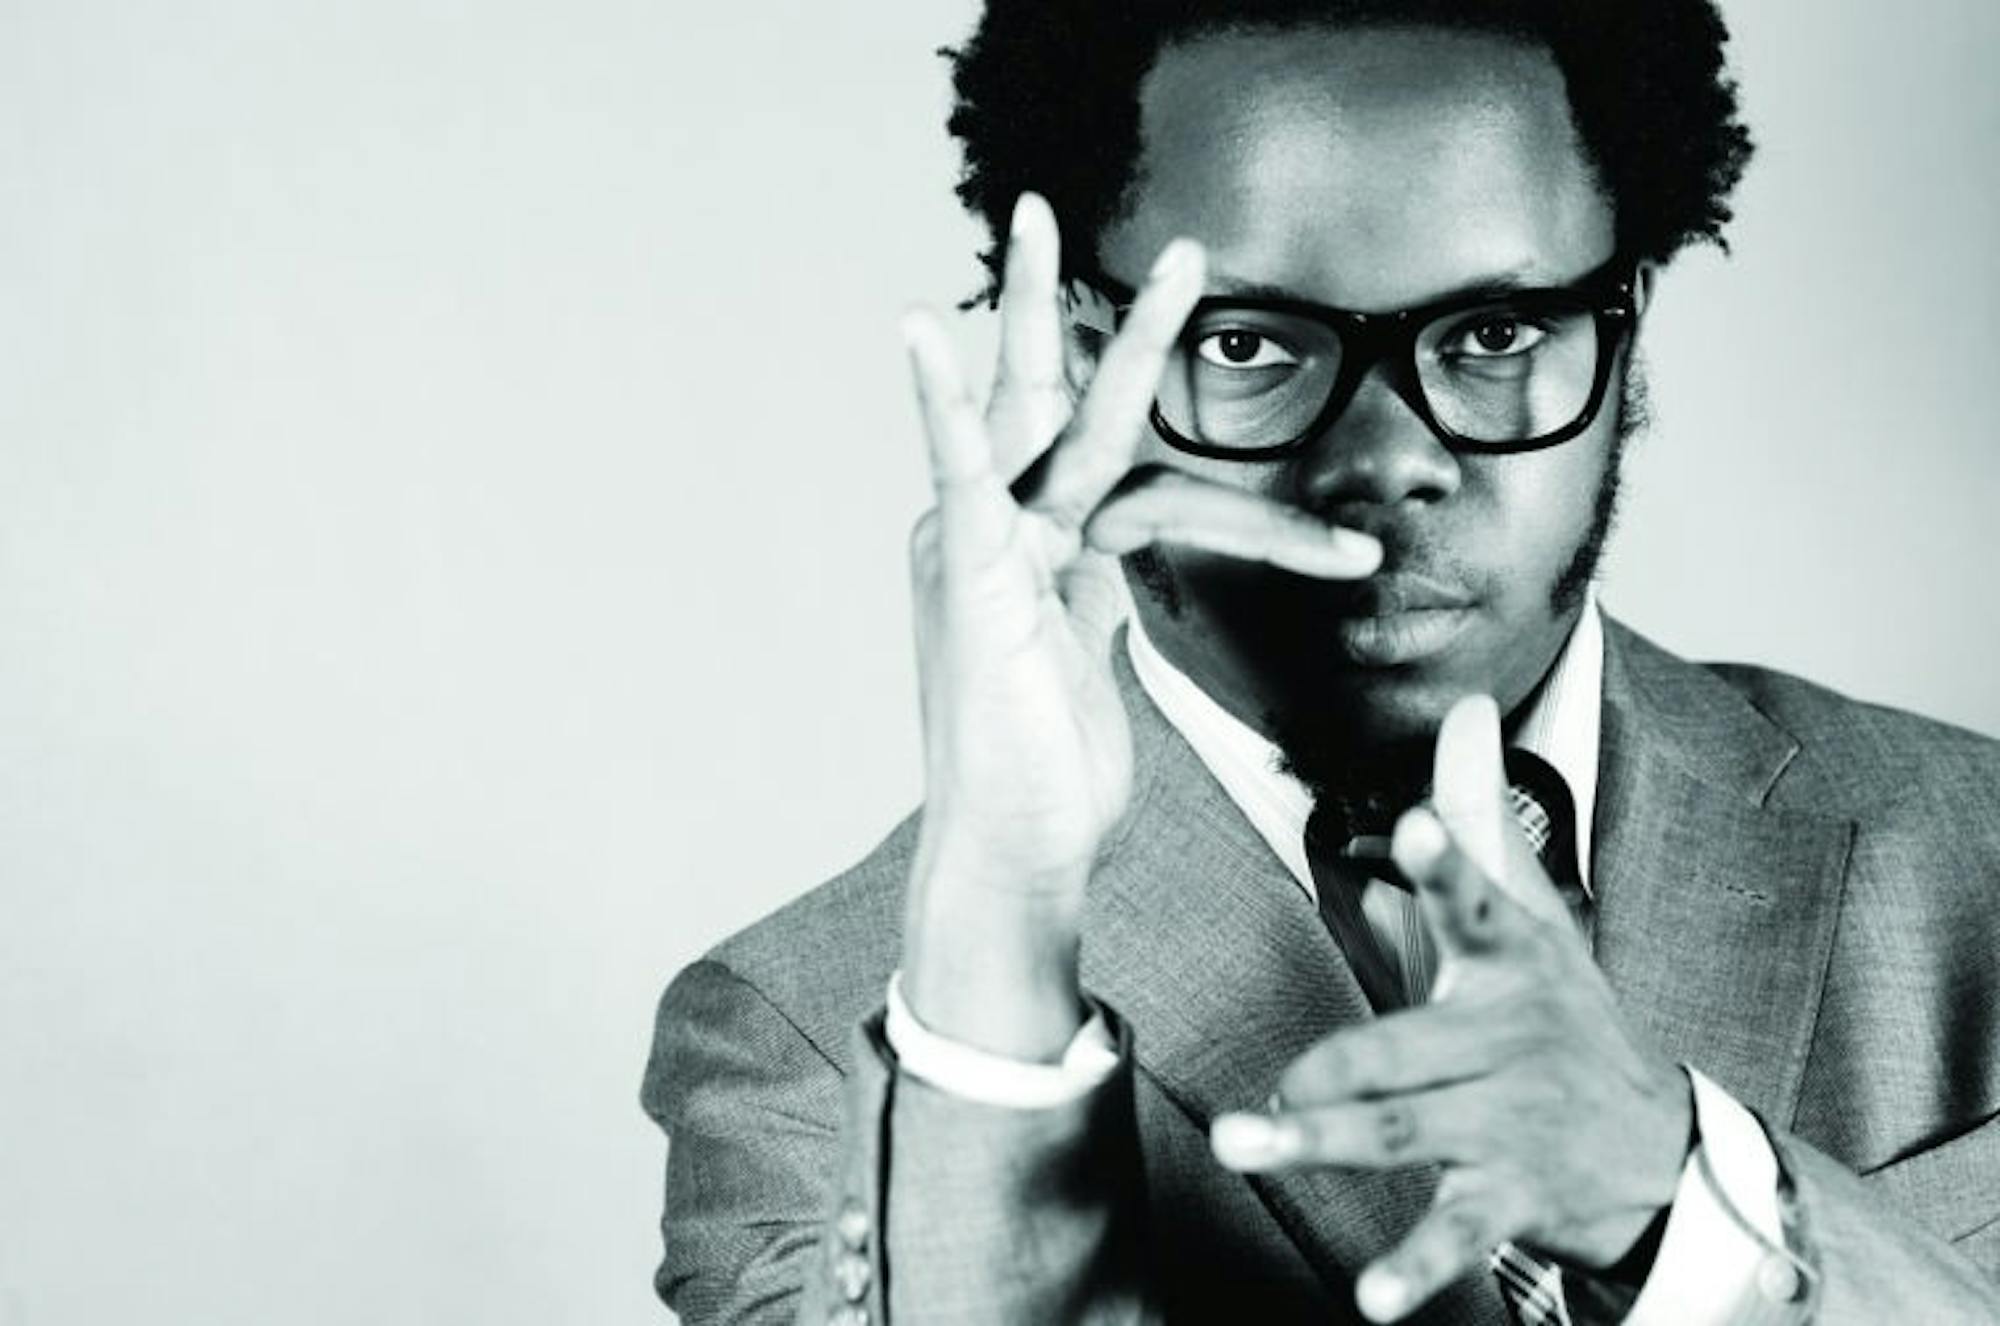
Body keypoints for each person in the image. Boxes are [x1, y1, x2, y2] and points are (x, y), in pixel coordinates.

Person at [642, 2, 2000, 1321]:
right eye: (1248, 345)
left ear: (1625, 322)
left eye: (1495, 335)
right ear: (1087, 362)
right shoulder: (808, 1045)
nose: (1387, 461)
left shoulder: (1977, 858)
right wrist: (1005, 917)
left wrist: (1679, 1202)